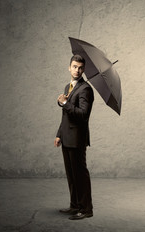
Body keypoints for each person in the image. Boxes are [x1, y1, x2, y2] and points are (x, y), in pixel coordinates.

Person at [55, 54, 94, 220]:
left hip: (77, 139)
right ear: (69, 67)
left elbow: (83, 114)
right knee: (71, 175)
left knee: (80, 175)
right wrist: (59, 134)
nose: (77, 70)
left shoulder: (86, 89)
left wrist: (65, 103)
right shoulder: (68, 87)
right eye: (74, 67)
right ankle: (74, 206)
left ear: (83, 69)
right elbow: (66, 115)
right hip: (66, 137)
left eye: (80, 67)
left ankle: (86, 210)